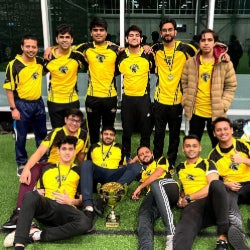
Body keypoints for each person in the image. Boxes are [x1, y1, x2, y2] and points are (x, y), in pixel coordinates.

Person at [1, 108, 88, 230]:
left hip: (68, 166)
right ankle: (18, 213)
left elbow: (80, 156)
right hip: (50, 164)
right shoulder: (56, 132)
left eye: (77, 121)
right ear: (65, 120)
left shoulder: (84, 135)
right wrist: (26, 168)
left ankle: (85, 207)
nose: (74, 123)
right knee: (31, 171)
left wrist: (84, 173)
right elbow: (39, 152)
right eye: (71, 120)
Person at [3, 136, 95, 249]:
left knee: (85, 222)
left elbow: (82, 199)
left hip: (66, 210)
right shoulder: (47, 168)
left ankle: (37, 235)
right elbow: (38, 190)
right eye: (64, 149)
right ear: (58, 151)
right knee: (30, 195)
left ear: (75, 151)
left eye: (70, 149)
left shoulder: (79, 171)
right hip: (47, 206)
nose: (67, 152)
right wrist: (37, 194)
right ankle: (19, 245)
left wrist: (72, 201)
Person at [152, 17, 197, 167]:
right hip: (159, 99)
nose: (167, 32)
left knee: (174, 134)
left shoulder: (186, 49)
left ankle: (171, 161)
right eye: (164, 30)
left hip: (177, 101)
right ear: (161, 33)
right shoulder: (156, 49)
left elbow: (205, 54)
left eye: (170, 29)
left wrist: (222, 55)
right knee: (158, 133)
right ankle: (157, 158)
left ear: (175, 32)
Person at [181, 29, 237, 147]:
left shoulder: (225, 63)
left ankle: (218, 166)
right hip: (196, 112)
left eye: (209, 40)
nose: (206, 43)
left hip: (216, 113)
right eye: (203, 40)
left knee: (219, 146)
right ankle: (195, 166)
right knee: (193, 145)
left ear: (215, 43)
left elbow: (231, 86)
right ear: (199, 43)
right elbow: (184, 83)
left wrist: (223, 105)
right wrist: (186, 100)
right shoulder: (190, 63)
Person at [174, 134, 230, 250]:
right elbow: (184, 188)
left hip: (211, 203)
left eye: (194, 146)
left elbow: (213, 185)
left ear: (200, 148)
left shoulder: (208, 163)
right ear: (183, 149)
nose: (191, 149)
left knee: (217, 184)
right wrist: (181, 198)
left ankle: (222, 239)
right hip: (193, 208)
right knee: (183, 231)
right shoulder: (179, 167)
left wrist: (189, 197)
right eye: (188, 146)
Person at [3, 34, 47, 176]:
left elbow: (51, 64)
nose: (31, 49)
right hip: (21, 105)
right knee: (20, 136)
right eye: (27, 46)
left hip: (38, 103)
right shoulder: (14, 65)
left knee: (42, 134)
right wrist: (13, 108)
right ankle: (21, 163)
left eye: (33, 47)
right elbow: (9, 89)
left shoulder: (40, 62)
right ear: (22, 47)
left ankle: (42, 160)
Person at [74, 17, 120, 145]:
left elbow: (128, 58)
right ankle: (93, 154)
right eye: (95, 30)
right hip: (92, 97)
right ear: (91, 32)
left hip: (110, 97)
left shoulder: (115, 49)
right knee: (93, 130)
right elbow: (65, 49)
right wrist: (51, 48)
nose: (98, 33)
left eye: (101, 30)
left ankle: (107, 156)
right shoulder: (85, 48)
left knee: (108, 130)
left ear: (106, 32)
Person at [208, 117, 250, 250]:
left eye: (225, 129)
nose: (223, 132)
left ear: (231, 130)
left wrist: (243, 159)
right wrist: (227, 184)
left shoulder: (244, 144)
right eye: (219, 130)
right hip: (232, 186)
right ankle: (239, 235)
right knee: (227, 201)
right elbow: (214, 181)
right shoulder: (213, 156)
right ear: (214, 133)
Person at [80, 126, 141, 213]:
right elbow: (88, 166)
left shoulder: (119, 147)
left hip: (113, 176)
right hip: (98, 175)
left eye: (111, 134)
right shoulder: (93, 146)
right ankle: (88, 204)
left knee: (136, 166)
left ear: (114, 137)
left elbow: (121, 166)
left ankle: (108, 195)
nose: (108, 136)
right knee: (86, 163)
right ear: (101, 135)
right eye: (106, 134)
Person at [116, 25, 155, 160]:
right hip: (127, 99)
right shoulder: (121, 55)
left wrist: (148, 46)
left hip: (143, 99)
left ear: (141, 38)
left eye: (137, 35)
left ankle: (144, 156)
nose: (134, 38)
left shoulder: (148, 54)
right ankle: (126, 156)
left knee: (145, 131)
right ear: (127, 39)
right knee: (127, 130)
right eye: (131, 35)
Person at [132, 146, 179, 250]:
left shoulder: (160, 160)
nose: (145, 155)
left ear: (152, 154)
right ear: (139, 159)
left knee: (155, 184)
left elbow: (158, 173)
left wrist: (140, 187)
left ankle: (172, 234)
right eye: (141, 154)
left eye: (147, 152)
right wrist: (134, 160)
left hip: (169, 186)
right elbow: (125, 168)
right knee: (143, 215)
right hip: (154, 194)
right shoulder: (142, 173)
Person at [44, 24, 87, 128]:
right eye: (61, 37)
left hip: (72, 102)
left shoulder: (77, 55)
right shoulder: (49, 57)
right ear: (56, 39)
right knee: (58, 134)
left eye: (67, 37)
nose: (64, 40)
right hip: (54, 102)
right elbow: (40, 73)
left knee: (73, 133)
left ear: (72, 40)